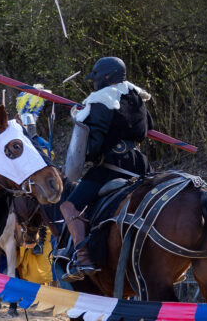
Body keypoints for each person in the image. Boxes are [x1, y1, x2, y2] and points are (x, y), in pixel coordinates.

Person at [59, 56, 153, 282]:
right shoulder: (135, 97)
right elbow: (148, 127)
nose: (94, 83)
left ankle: (82, 258)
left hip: (112, 166)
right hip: (141, 165)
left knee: (68, 205)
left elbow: (92, 149)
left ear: (106, 77)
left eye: (97, 78)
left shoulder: (101, 101)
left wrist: (79, 120)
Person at [16, 86, 53, 160]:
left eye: (28, 125)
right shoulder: (16, 141)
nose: (27, 128)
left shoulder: (41, 142)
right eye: (24, 125)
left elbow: (49, 158)